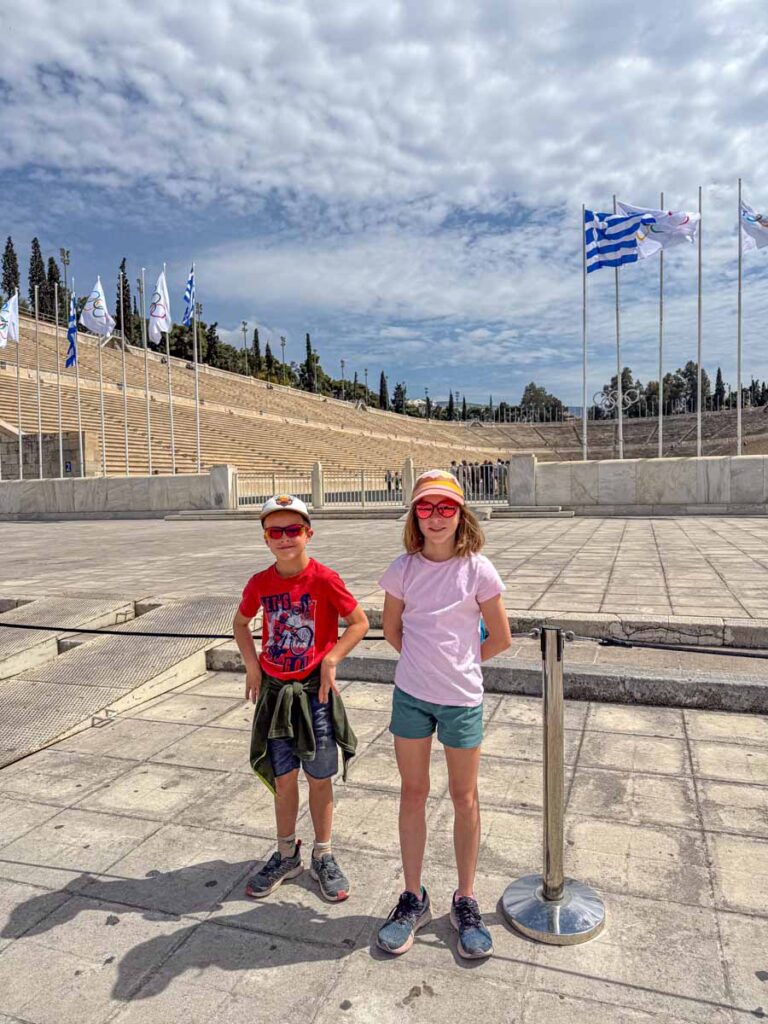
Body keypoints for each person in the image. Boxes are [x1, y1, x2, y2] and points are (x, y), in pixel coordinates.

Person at [375, 470, 512, 959]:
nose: (436, 517)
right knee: (413, 793)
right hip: (412, 696)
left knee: (464, 796)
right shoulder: (403, 569)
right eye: (426, 508)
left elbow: (500, 636)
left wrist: (458, 663)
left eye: (446, 507)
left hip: (461, 700)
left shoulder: (478, 569)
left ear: (461, 514)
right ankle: (413, 896)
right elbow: (393, 629)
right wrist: (424, 663)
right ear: (414, 515)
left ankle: (465, 897)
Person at [233, 494, 369, 902]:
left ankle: (323, 853)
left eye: (294, 530)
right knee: (284, 778)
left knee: (320, 777)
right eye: (276, 532)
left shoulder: (325, 579)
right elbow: (241, 622)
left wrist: (332, 659)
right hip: (276, 696)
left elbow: (359, 622)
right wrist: (252, 664)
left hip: (314, 693)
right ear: (265, 539)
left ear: (309, 533)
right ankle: (286, 851)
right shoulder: (260, 583)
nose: (285, 538)